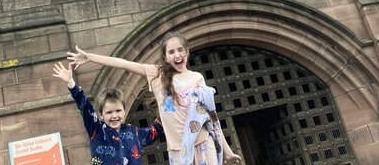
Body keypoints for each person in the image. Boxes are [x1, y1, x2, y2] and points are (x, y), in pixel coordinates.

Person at [67, 31, 243, 165]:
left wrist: (226, 151)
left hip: (203, 143)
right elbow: (124, 63)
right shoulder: (156, 75)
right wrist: (90, 57)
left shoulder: (197, 78)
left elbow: (211, 118)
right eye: (172, 51)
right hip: (177, 149)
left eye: (181, 50)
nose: (177, 55)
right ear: (165, 57)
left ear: (187, 52)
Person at [52, 61, 163, 165]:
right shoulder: (97, 129)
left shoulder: (133, 131)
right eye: (109, 112)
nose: (114, 116)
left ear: (124, 111)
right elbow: (85, 106)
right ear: (101, 114)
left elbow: (154, 131)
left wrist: (170, 108)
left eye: (118, 111)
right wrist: (71, 83)